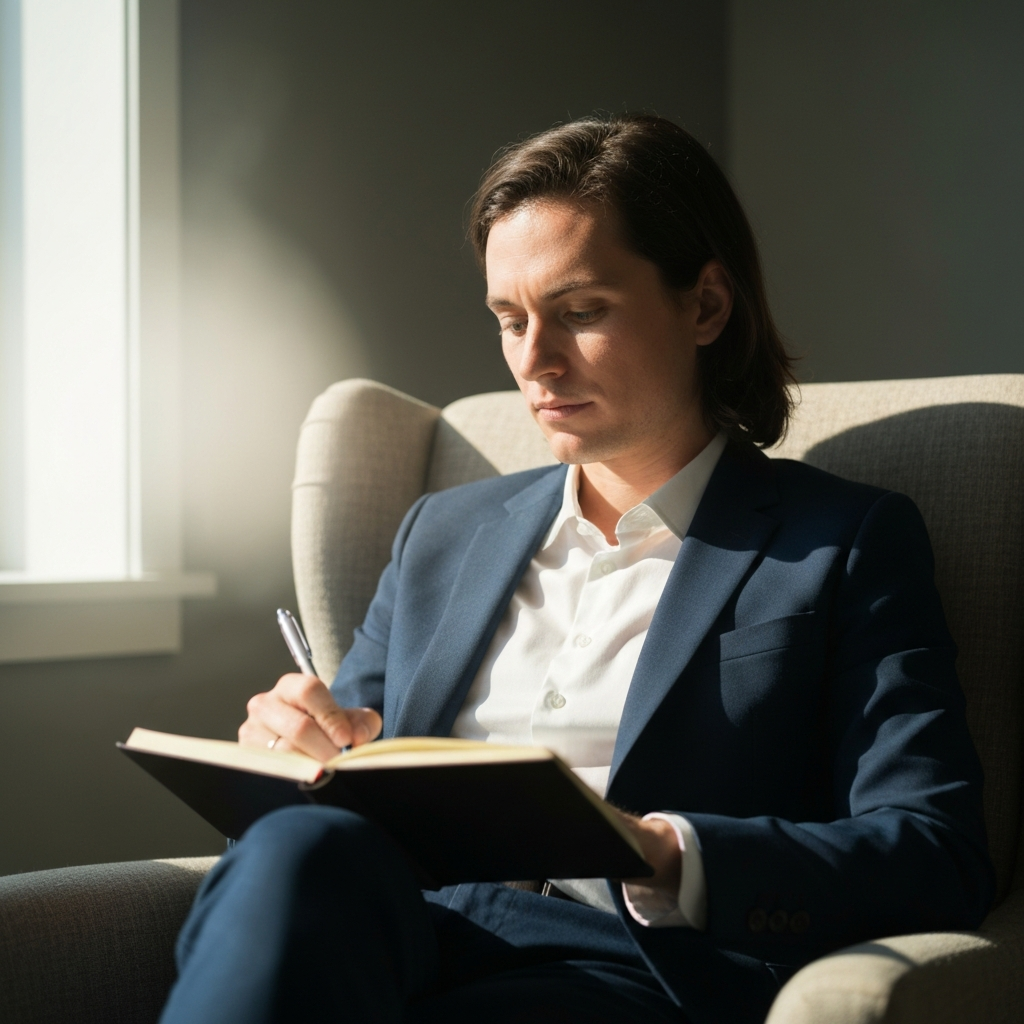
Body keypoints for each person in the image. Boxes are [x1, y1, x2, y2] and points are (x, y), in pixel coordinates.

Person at [159, 114, 994, 1024]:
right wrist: (297, 753)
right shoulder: (441, 532)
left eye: (580, 312)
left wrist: (669, 852)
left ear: (706, 306)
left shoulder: (842, 542)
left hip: (624, 970)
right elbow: (351, 767)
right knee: (297, 852)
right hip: (397, 935)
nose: (533, 361)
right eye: (510, 320)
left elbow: (933, 851)